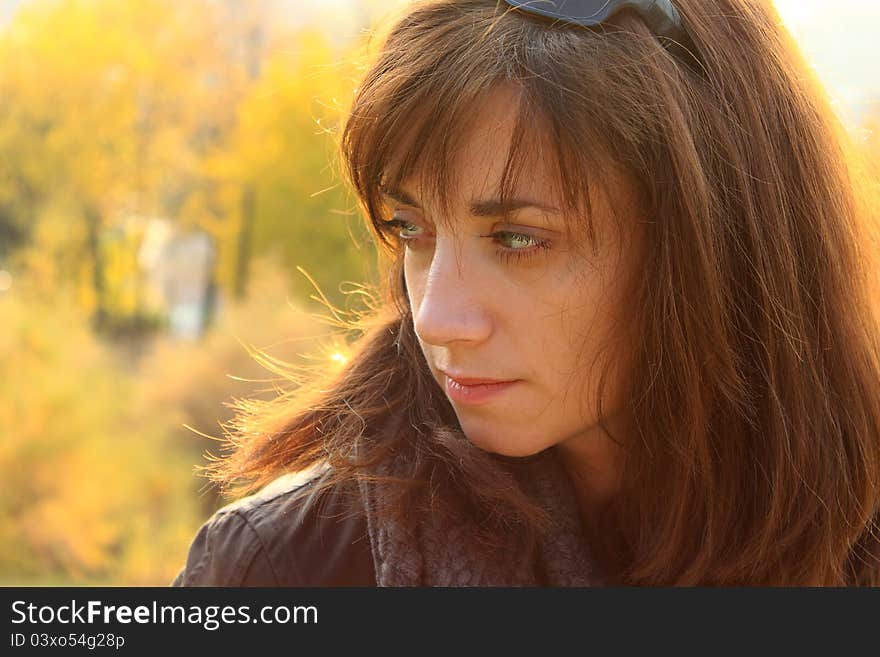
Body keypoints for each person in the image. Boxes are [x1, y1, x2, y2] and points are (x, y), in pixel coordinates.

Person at [171, 0, 880, 586]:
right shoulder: (285, 568)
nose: (436, 318)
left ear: (711, 248)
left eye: (517, 239)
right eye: (410, 228)